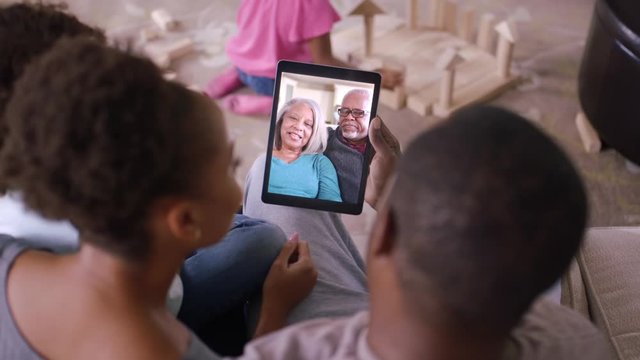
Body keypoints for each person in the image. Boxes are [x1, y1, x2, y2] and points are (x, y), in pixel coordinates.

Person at [0, 38, 318, 359]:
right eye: (229, 167)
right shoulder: (168, 349)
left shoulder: (8, 254)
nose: (237, 183)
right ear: (186, 220)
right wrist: (275, 308)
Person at [240, 106, 613, 359]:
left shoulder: (286, 350)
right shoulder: (576, 342)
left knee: (265, 175)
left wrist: (273, 310)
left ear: (383, 234)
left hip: (346, 320)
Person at [206, 0, 403, 116]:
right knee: (329, 98)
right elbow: (324, 61)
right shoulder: (310, 4)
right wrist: (371, 77)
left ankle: (236, 76)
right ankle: (272, 103)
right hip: (270, 80)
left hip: (243, 59)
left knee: (260, 53)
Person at [269, 97, 342, 202]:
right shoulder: (263, 155)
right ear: (281, 121)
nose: (298, 127)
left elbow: (331, 211)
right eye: (293, 118)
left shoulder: (321, 163)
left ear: (314, 133)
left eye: (308, 124)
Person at [325, 88, 372, 204]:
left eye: (358, 112)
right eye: (344, 111)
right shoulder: (326, 137)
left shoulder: (381, 149)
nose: (349, 117)